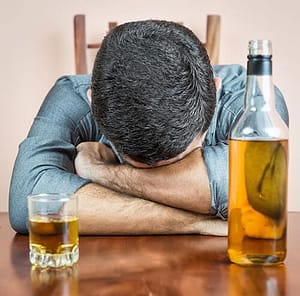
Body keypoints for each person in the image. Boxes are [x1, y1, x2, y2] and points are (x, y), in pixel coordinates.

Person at [9, 20, 289, 235]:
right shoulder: (72, 94)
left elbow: (259, 194)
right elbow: (28, 204)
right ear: (92, 102)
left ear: (214, 92)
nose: (161, 178)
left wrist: (100, 172)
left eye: (180, 163)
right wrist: (194, 221)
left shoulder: (254, 100)